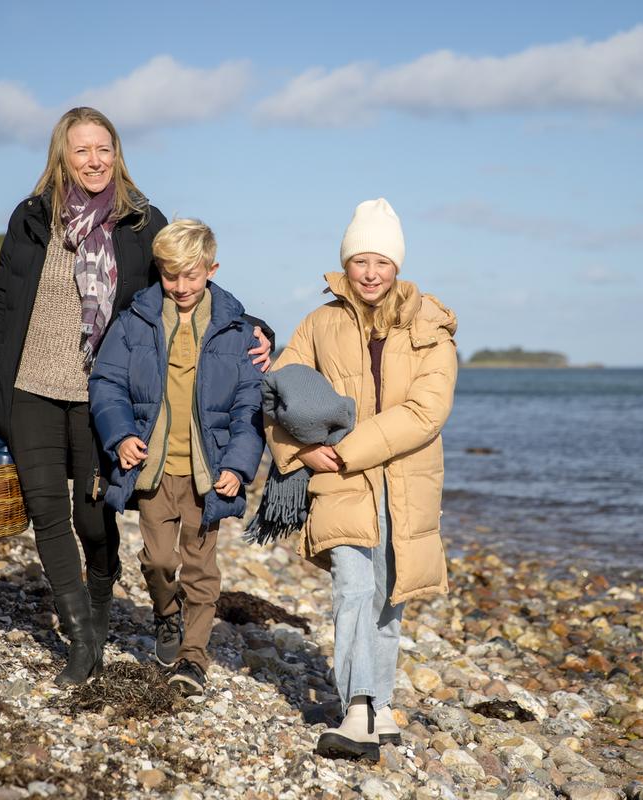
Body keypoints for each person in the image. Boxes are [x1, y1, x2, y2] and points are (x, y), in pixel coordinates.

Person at [0, 107, 272, 686]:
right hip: (29, 384)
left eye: (104, 149)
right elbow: (2, 305)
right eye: (81, 150)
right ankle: (82, 638)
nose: (94, 160)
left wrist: (253, 327)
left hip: (102, 390)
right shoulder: (30, 220)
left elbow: (184, 287)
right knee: (46, 510)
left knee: (92, 515)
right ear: (62, 155)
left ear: (117, 153)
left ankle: (101, 597)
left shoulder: (139, 221)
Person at [265, 198, 458, 761]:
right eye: (359, 261)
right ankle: (357, 710)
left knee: (388, 597)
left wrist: (344, 450)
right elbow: (276, 396)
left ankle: (384, 705)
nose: (370, 273)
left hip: (405, 482)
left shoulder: (433, 328)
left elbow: (427, 413)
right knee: (352, 588)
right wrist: (300, 452)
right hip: (339, 482)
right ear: (345, 264)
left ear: (397, 264)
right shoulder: (318, 324)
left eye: (381, 261)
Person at [88, 218, 265, 697]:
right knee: (159, 561)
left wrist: (237, 466)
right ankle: (166, 614)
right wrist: (121, 435)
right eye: (171, 275)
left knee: (201, 568)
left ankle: (193, 658)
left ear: (212, 269)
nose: (181, 286)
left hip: (208, 474)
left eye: (191, 274)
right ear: (160, 272)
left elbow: (250, 404)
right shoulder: (135, 321)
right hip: (152, 468)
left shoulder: (236, 330)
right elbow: (107, 384)